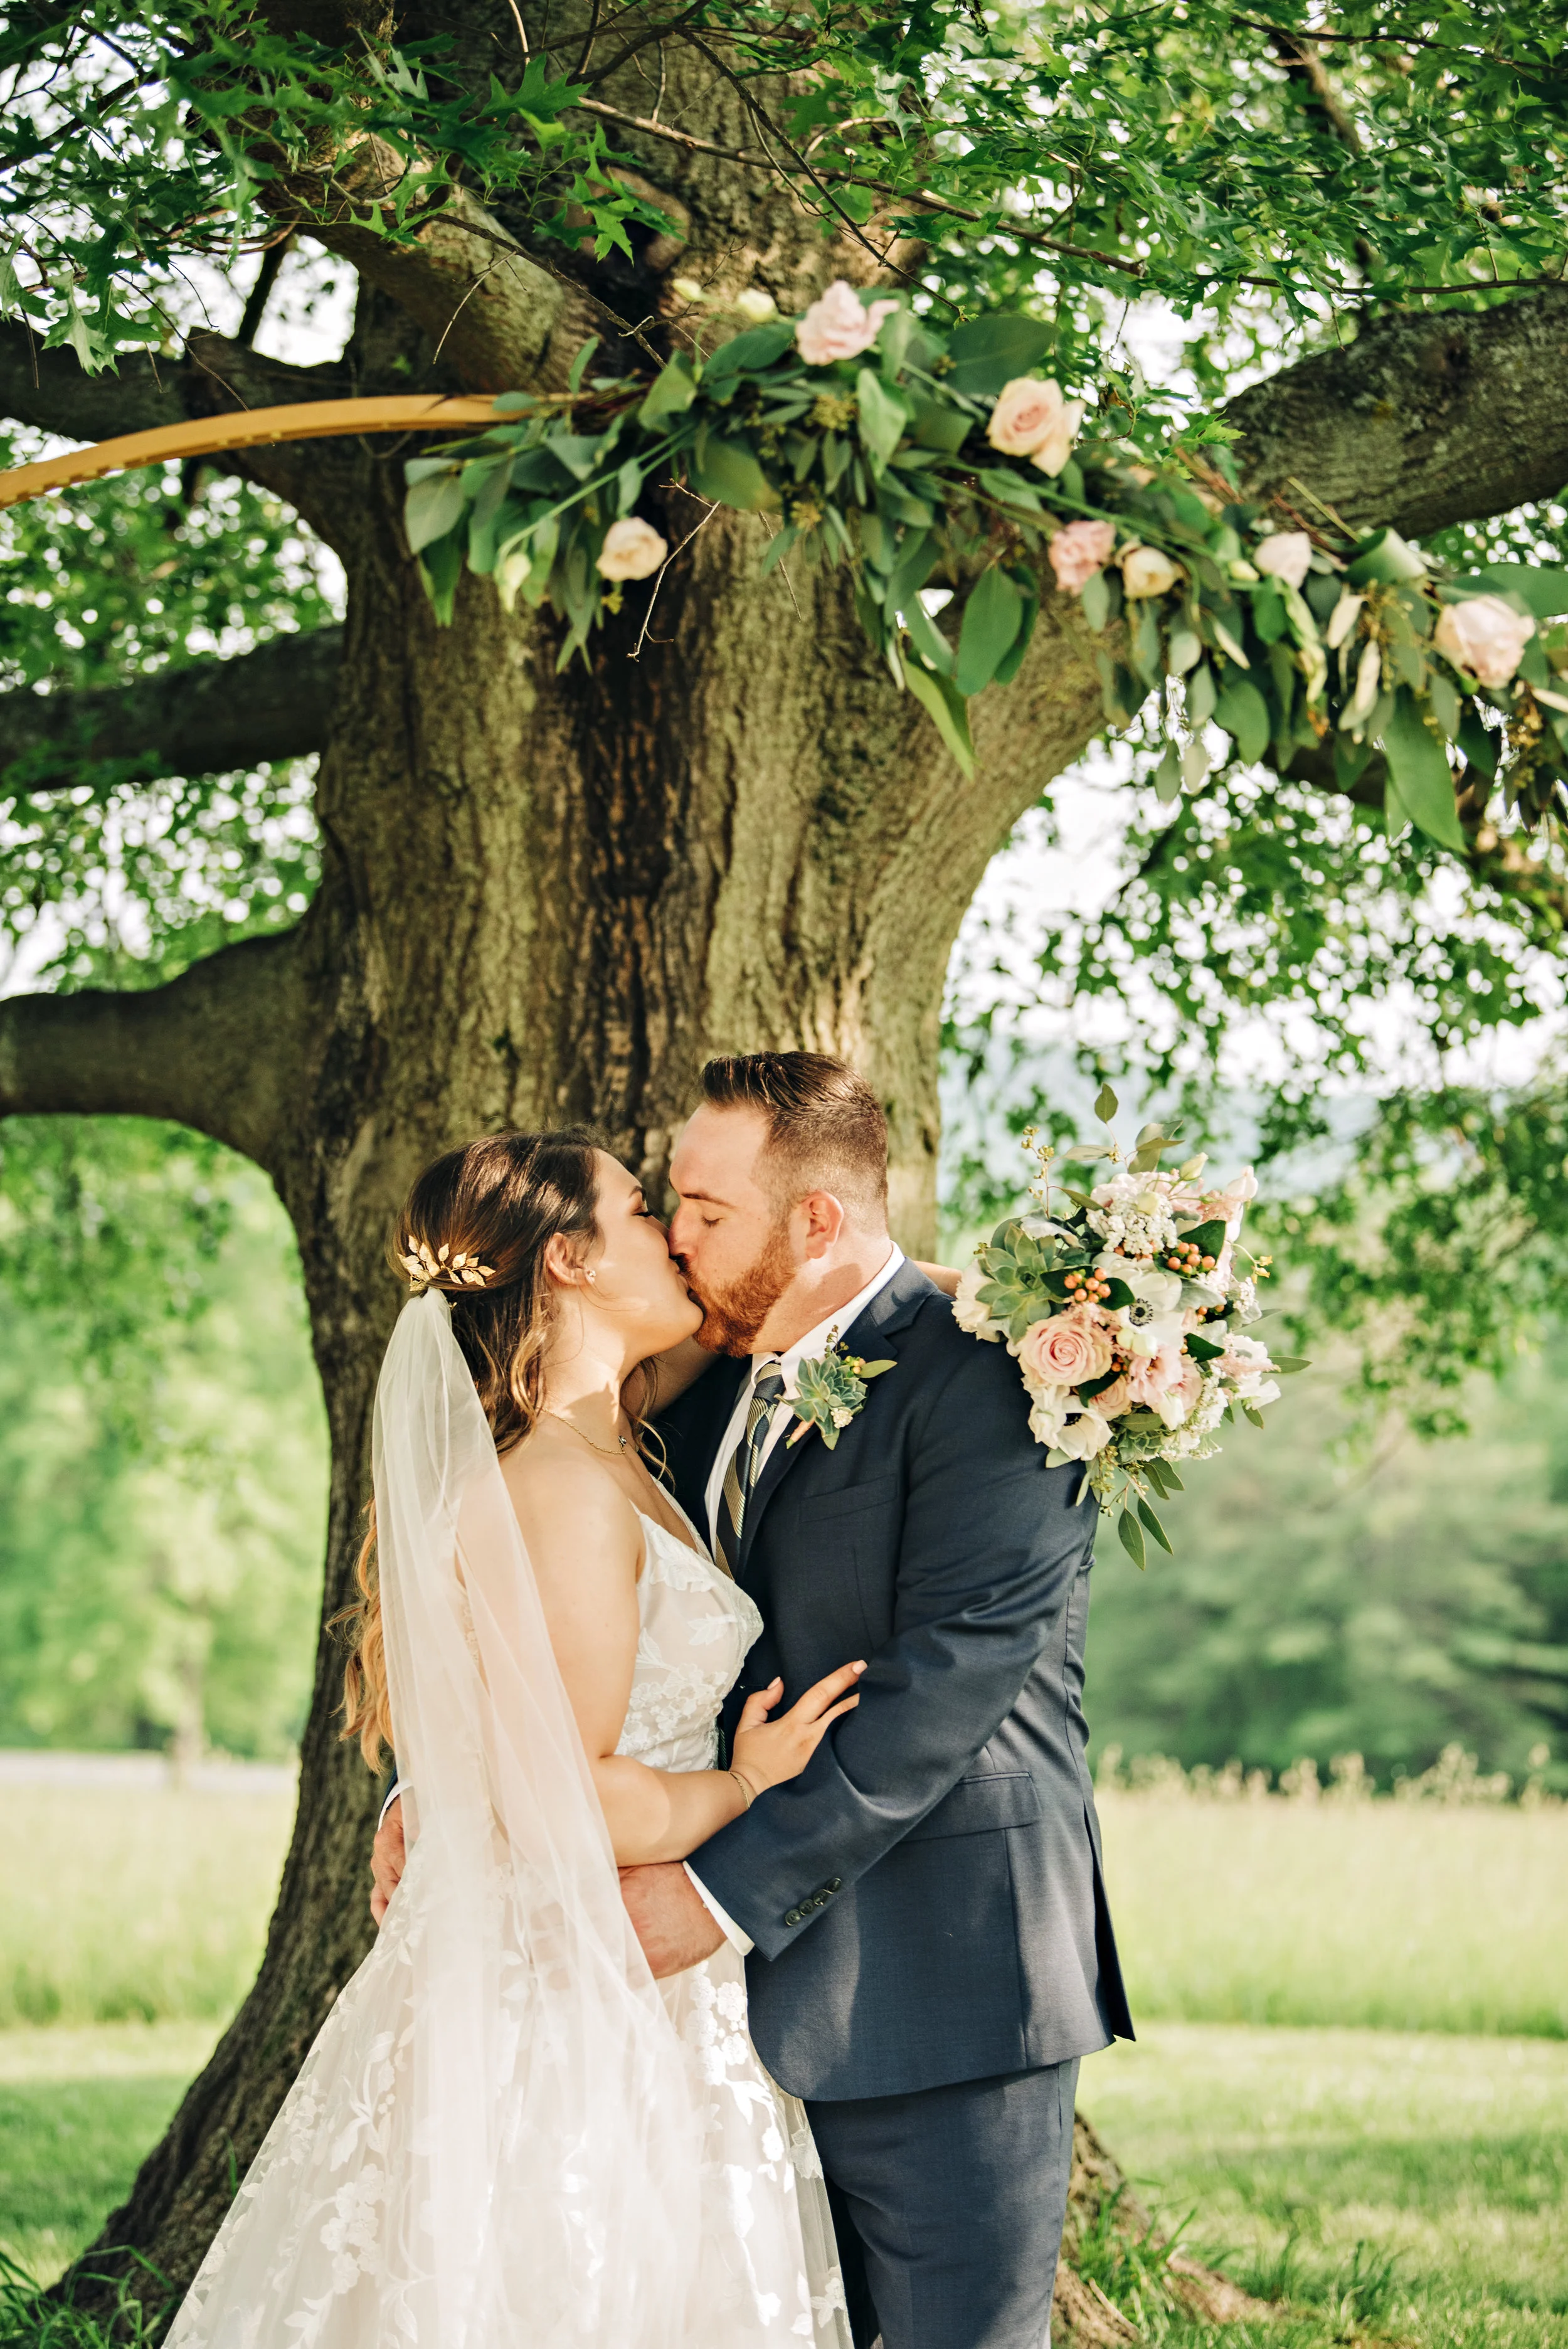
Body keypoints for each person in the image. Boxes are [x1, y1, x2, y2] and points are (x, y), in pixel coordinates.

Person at [375, 1054, 1133, 2349]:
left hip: (941, 1982)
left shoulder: (998, 1382)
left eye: (707, 1212)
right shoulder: (694, 1382)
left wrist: (718, 1893)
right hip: (722, 2025)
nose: (677, 1235)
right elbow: (549, 1619)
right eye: (666, 1204)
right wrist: (447, 1778)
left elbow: (948, 1683)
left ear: (815, 1221)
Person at [166, 1128, 864, 2349]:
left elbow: (798, 1304)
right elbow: (569, 1798)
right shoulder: (563, 1488)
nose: (674, 1238)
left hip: (625, 1976)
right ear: (568, 1262)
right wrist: (745, 1785)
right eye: (641, 1210)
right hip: (564, 1996)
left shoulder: (615, 1437)